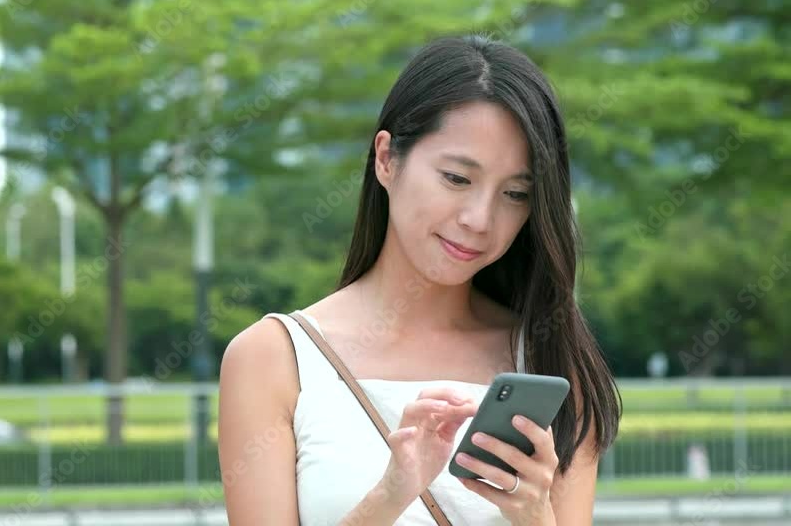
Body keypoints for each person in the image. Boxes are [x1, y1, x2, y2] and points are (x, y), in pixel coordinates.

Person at [218, 35, 621, 525]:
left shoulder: (551, 362)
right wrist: (391, 494)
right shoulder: (272, 360)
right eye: (457, 178)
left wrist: (535, 515)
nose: (480, 218)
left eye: (515, 193)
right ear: (386, 159)